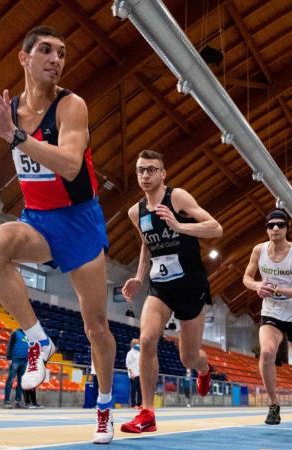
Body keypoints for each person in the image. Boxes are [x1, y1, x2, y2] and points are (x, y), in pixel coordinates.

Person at [0, 25, 116, 444]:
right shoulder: (9, 108)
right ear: (24, 58)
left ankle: (104, 407)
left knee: (97, 329)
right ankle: (38, 341)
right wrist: (9, 127)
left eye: (63, 53)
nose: (56, 59)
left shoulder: (72, 106)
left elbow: (71, 165)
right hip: (38, 219)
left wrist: (14, 136)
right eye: (47, 50)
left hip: (79, 220)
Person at [120, 150, 223, 433]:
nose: (145, 175)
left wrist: (179, 225)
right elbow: (146, 245)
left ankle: (204, 369)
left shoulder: (177, 197)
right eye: (141, 170)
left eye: (151, 169)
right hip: (160, 286)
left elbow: (216, 228)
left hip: (190, 285)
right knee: (147, 338)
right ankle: (147, 413)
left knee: (188, 357)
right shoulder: (135, 212)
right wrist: (139, 277)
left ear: (163, 173)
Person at [243, 209, 292, 432]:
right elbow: (246, 277)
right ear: (266, 229)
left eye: (280, 225)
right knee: (266, 353)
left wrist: (278, 289)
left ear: (286, 228)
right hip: (271, 312)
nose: (275, 228)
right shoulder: (259, 250)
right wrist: (258, 286)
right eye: (271, 225)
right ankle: (274, 404)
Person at [4, 328, 29, 409]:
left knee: (21, 382)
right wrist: (9, 357)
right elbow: (10, 345)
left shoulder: (29, 335)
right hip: (15, 359)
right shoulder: (15, 333)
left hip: (24, 361)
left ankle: (18, 402)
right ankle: (7, 402)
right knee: (10, 380)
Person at [125, 339, 141, 408]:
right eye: (137, 343)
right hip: (134, 373)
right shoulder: (130, 353)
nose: (138, 344)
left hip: (139, 373)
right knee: (133, 389)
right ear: (133, 344)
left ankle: (139, 404)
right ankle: (133, 404)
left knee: (140, 390)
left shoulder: (139, 352)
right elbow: (128, 364)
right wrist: (131, 373)